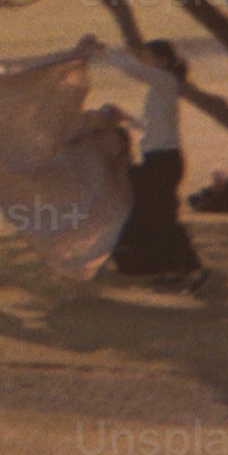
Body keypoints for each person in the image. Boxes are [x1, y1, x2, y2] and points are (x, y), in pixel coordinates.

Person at [85, 35, 201, 286]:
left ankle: (185, 269)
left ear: (163, 60)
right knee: (159, 214)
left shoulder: (164, 80)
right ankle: (178, 269)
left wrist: (102, 51)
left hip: (163, 161)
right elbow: (152, 127)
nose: (145, 62)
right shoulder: (161, 86)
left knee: (158, 215)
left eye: (148, 57)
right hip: (159, 160)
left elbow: (131, 69)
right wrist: (126, 117)